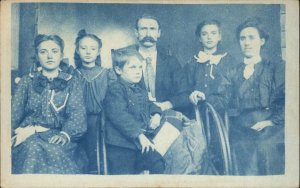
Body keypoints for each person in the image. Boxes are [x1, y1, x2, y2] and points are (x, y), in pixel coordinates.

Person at [11, 34, 87, 174]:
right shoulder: (26, 81)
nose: (49, 56)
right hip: (27, 134)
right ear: (37, 56)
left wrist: (65, 134)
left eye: (54, 51)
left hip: (58, 135)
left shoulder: (72, 82)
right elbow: (13, 114)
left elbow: (77, 114)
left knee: (53, 150)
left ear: (61, 55)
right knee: (31, 148)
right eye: (43, 52)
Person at [104, 49, 185, 174]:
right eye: (132, 67)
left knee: (157, 162)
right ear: (118, 70)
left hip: (139, 143)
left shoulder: (139, 89)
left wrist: (157, 114)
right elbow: (120, 116)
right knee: (125, 179)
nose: (138, 72)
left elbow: (150, 104)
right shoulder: (115, 90)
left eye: (139, 67)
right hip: (120, 146)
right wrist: (140, 136)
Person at [227, 18, 285, 175]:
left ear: (262, 41)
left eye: (251, 37)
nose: (246, 42)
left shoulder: (275, 68)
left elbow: (289, 101)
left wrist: (272, 121)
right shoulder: (232, 72)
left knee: (264, 145)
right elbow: (221, 97)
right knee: (239, 145)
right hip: (241, 125)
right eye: (242, 38)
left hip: (271, 123)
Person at [113, 14, 189, 113]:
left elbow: (184, 94)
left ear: (159, 33)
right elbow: (116, 94)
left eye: (152, 29)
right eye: (143, 29)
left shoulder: (171, 62)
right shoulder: (124, 60)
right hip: (134, 116)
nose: (148, 34)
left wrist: (166, 105)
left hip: (165, 113)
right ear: (136, 32)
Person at [74, 29, 116, 173]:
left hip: (102, 121)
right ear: (77, 51)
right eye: (83, 48)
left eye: (92, 48)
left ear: (98, 52)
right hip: (79, 120)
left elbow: (114, 99)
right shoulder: (72, 74)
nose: (88, 52)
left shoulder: (107, 73)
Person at [185, 20, 237, 117]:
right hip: (196, 114)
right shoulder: (192, 62)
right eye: (204, 34)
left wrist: (207, 98)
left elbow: (230, 93)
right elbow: (186, 89)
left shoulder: (229, 61)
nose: (209, 37)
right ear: (200, 38)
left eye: (213, 33)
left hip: (222, 115)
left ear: (219, 37)